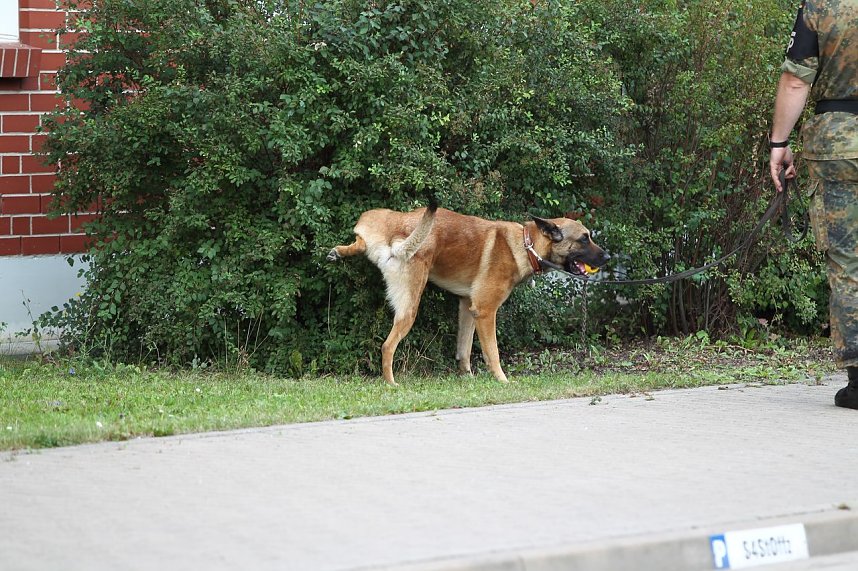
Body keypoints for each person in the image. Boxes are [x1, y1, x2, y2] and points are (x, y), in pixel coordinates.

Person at [769, 0, 858, 408]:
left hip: (839, 144)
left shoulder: (820, 5)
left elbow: (795, 81)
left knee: (848, 261)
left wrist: (779, 144)